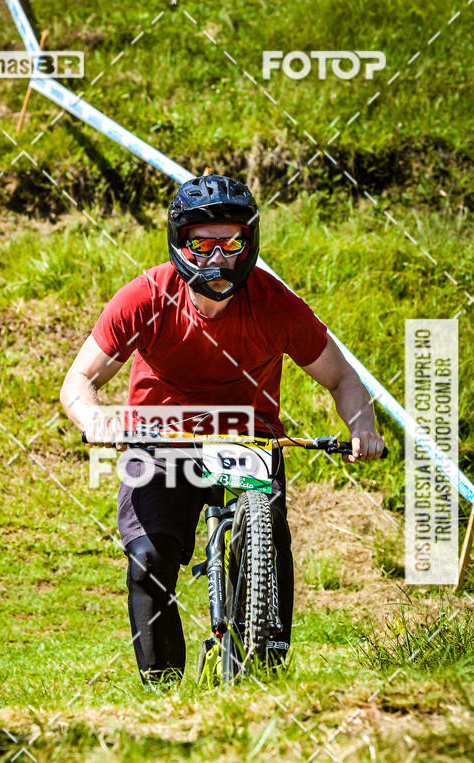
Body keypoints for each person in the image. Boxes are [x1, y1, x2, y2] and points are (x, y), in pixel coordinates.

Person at [60, 174, 385, 684]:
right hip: (160, 434)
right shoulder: (145, 297)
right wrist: (95, 417)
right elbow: (79, 379)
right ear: (179, 244)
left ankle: (266, 669)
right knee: (149, 556)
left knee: (269, 534)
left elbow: (342, 376)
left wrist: (362, 425)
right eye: (202, 244)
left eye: (231, 243)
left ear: (249, 244)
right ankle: (162, 687)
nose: (218, 258)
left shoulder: (274, 303)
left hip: (248, 435)